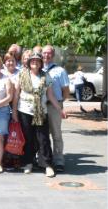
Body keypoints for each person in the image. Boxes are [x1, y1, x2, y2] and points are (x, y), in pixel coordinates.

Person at [12, 52, 67, 178]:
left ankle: (48, 165)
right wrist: (14, 112)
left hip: (41, 111)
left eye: (37, 61)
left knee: (43, 139)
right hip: (25, 111)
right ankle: (28, 163)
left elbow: (51, 95)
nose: (34, 63)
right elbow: (16, 95)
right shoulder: (22, 74)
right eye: (32, 61)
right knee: (28, 138)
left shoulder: (46, 76)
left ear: (40, 63)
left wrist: (60, 109)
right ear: (29, 63)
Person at [42, 45, 70, 173]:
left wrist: (60, 104)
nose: (46, 56)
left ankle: (58, 160)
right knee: (42, 134)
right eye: (44, 53)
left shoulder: (60, 71)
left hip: (54, 105)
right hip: (41, 106)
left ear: (53, 55)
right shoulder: (37, 68)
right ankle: (43, 160)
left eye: (49, 53)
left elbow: (66, 91)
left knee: (56, 133)